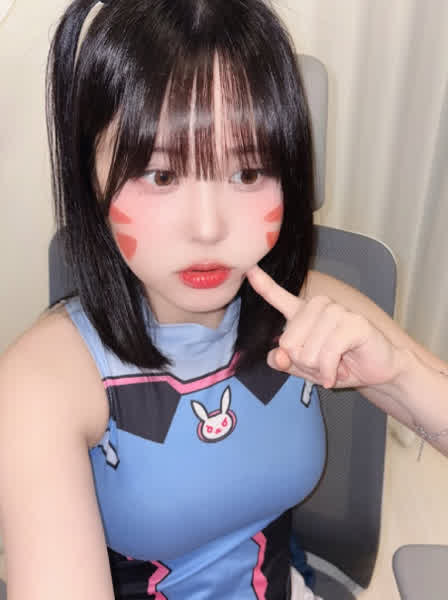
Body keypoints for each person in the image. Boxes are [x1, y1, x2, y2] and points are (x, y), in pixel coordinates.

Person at [0, 1, 447, 599]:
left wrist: (400, 375)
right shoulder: (44, 382)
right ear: (90, 178)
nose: (209, 228)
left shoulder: (309, 305)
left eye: (247, 173)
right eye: (161, 175)